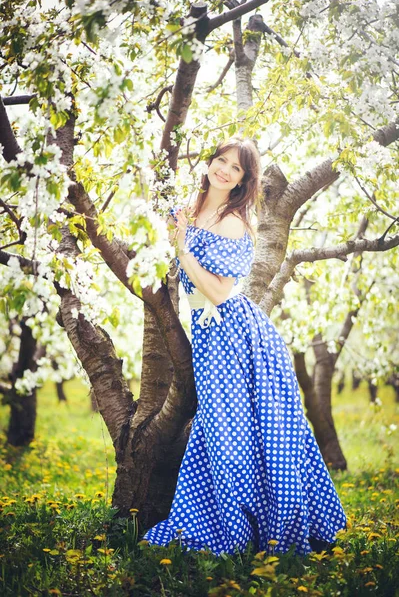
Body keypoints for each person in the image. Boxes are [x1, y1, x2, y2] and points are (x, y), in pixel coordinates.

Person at [143, 136, 347, 556]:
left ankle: (256, 532)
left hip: (234, 333)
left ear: (243, 179)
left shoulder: (234, 222)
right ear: (210, 162)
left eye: (235, 168)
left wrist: (182, 247)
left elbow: (219, 292)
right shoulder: (188, 209)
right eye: (220, 160)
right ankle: (232, 523)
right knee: (227, 430)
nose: (224, 170)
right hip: (208, 332)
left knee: (240, 430)